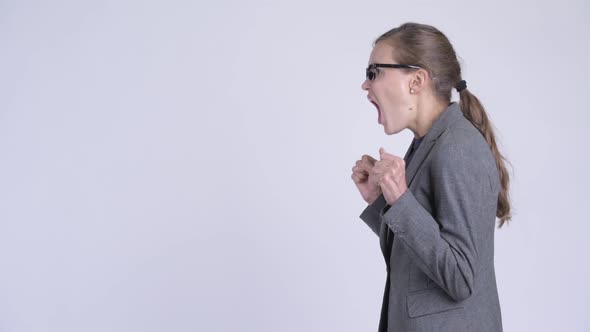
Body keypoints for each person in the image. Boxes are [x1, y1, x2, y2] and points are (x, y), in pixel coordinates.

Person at [350, 22, 511, 332]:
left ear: (416, 80)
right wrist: (381, 201)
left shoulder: (457, 147)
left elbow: (461, 277)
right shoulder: (429, 143)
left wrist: (399, 199)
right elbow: (420, 258)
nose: (365, 85)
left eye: (374, 73)